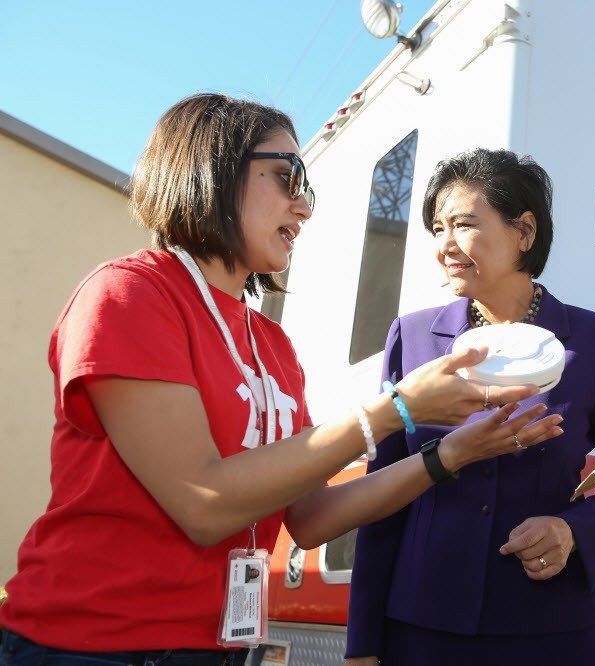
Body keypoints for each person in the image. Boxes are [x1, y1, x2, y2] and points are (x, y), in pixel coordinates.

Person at [0, 94, 564, 665]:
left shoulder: (271, 344)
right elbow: (203, 503)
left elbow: (311, 517)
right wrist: (398, 409)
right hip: (89, 647)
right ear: (210, 167)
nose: (304, 208)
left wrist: (449, 456)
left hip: (217, 649)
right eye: (286, 176)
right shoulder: (130, 294)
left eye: (306, 188)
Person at [344, 149, 595, 666]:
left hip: (553, 629)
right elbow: (382, 493)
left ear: (524, 232)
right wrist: (363, 643)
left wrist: (575, 530)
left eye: (463, 225)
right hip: (422, 628)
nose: (444, 247)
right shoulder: (413, 336)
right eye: (437, 229)